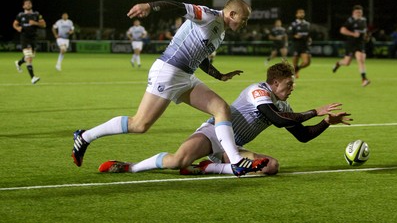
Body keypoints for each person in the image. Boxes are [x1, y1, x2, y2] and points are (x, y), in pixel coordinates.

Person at [71, 0, 269, 176]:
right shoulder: (208, 16)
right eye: (243, 19)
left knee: (221, 108)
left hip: (184, 76)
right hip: (168, 72)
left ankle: (236, 161)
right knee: (139, 125)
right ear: (232, 14)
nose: (244, 24)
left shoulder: (221, 32)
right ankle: (85, 136)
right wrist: (149, 6)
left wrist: (220, 75)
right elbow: (178, 6)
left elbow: (200, 58)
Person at [97, 62, 352, 176]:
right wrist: (313, 112)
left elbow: (302, 136)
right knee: (177, 162)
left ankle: (210, 168)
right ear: (274, 82)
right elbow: (275, 119)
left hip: (235, 149)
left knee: (272, 166)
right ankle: (129, 166)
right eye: (288, 84)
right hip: (214, 134)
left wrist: (326, 122)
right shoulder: (258, 91)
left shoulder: (283, 103)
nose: (292, 88)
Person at [332, 5, 370, 87]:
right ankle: (338, 63)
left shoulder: (364, 20)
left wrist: (366, 36)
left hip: (360, 44)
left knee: (361, 59)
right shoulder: (350, 20)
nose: (359, 14)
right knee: (346, 62)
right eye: (357, 12)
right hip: (351, 44)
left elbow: (364, 31)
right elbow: (342, 30)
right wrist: (353, 34)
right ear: (353, 13)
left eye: (360, 12)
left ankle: (364, 79)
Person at [13, 0, 46, 84]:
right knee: (29, 58)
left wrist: (35, 23)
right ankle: (33, 77)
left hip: (33, 38)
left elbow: (44, 24)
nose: (28, 4)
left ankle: (19, 63)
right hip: (25, 38)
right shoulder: (20, 15)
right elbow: (14, 24)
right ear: (23, 6)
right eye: (26, 3)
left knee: (30, 56)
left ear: (31, 5)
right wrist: (17, 28)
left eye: (29, 3)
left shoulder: (36, 14)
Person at [287, 8, 312, 78]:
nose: (302, 14)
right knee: (295, 63)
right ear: (296, 15)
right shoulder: (293, 24)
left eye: (303, 13)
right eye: (300, 13)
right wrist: (294, 36)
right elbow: (289, 34)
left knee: (307, 62)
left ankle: (297, 69)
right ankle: (291, 81)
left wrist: (309, 38)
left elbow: (309, 34)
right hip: (296, 45)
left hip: (305, 45)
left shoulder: (307, 24)